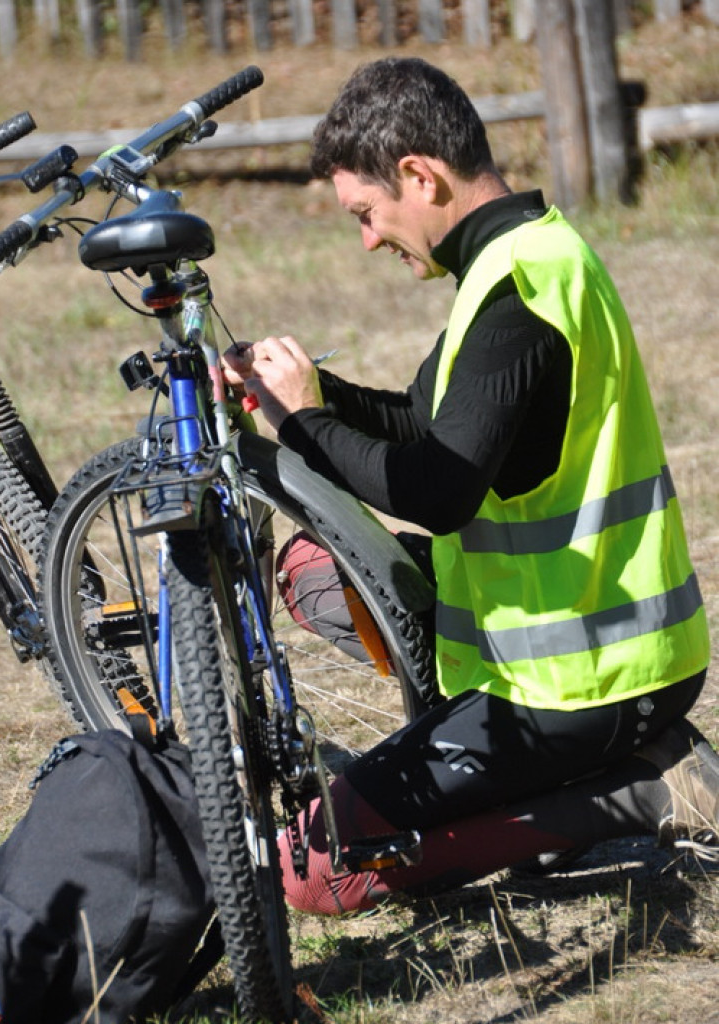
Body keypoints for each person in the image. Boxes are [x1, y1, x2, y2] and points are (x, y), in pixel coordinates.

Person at [223, 57, 718, 915]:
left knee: (316, 868)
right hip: (587, 649)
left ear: (420, 175)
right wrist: (307, 397)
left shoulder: (517, 297)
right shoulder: (525, 257)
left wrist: (305, 424)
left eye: (367, 215)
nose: (370, 240)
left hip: (585, 683)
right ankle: (575, 770)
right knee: (310, 569)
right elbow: (425, 425)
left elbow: (438, 489)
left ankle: (642, 791)